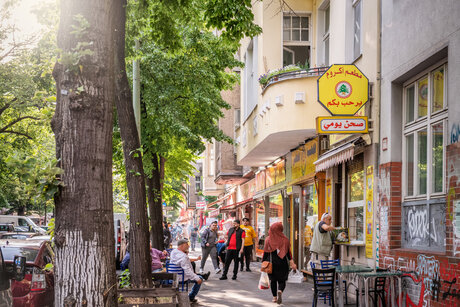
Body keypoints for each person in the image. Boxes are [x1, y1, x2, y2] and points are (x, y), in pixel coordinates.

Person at [263, 222, 297, 304]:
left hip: (271, 263)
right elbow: (288, 253)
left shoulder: (268, 239)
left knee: (273, 280)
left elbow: (265, 253)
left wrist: (263, 263)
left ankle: (274, 297)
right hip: (282, 262)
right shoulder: (285, 240)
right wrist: (292, 263)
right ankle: (280, 291)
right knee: (282, 280)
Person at [170, 239, 206, 303]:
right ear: (182, 245)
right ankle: (191, 297)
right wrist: (197, 278)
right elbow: (187, 271)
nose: (188, 246)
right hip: (181, 278)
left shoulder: (173, 252)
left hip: (172, 277)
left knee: (197, 276)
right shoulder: (183, 257)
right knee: (200, 278)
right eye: (187, 244)